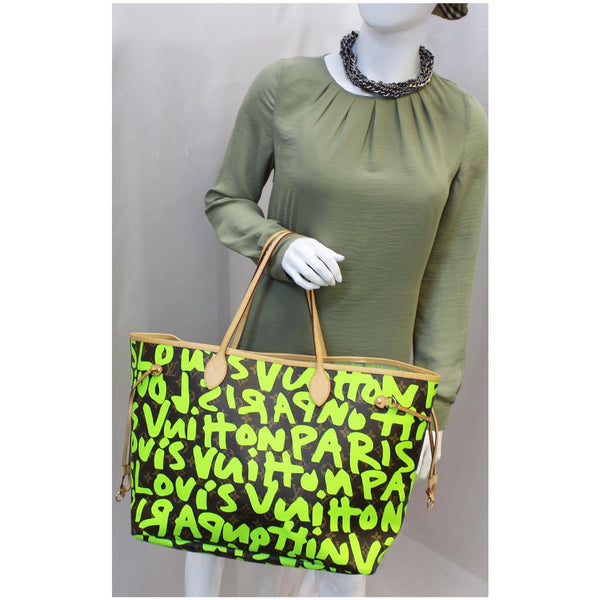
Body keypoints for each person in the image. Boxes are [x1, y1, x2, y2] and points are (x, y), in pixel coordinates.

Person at [186, 3, 487, 596]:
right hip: (265, 363)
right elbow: (227, 199)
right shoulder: (285, 86)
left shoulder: (461, 121)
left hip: (376, 384)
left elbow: (450, 273)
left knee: (342, 557)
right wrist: (278, 244)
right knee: (208, 519)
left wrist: (436, 406)